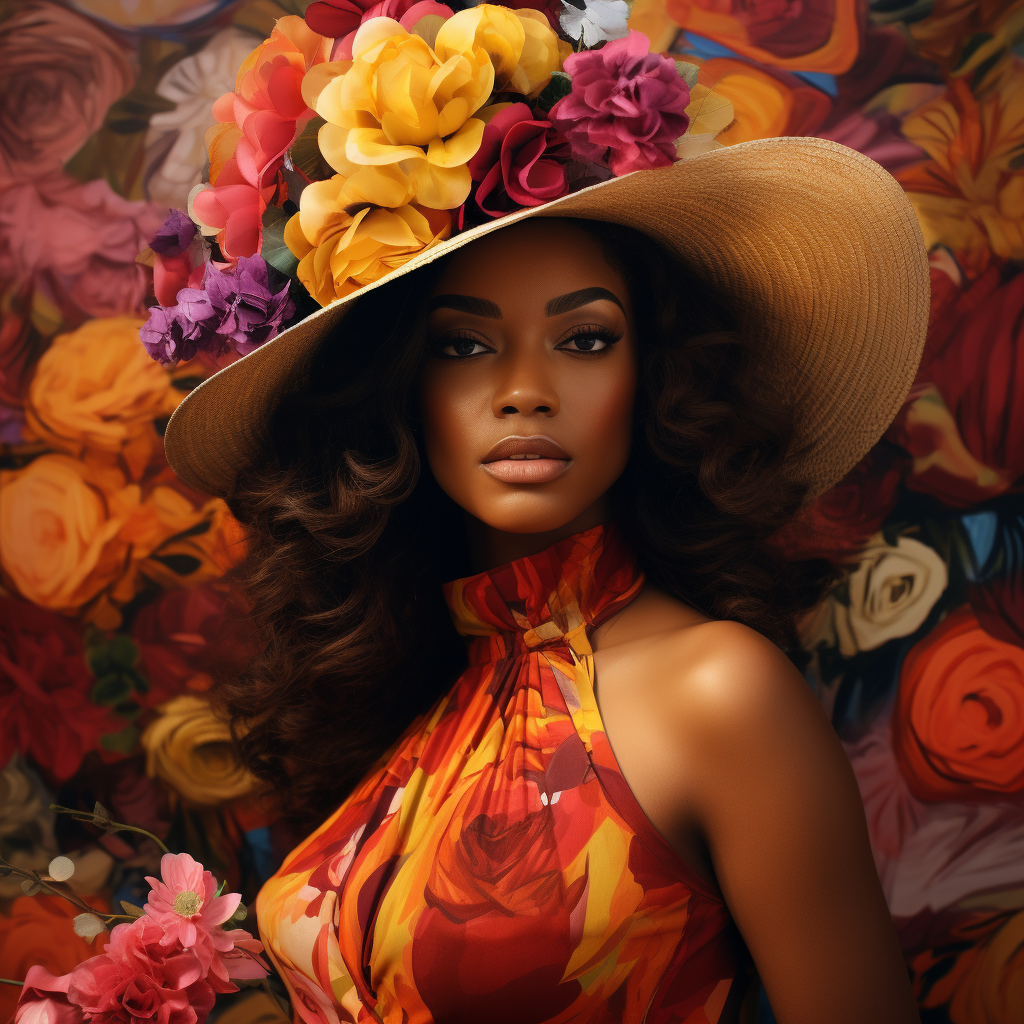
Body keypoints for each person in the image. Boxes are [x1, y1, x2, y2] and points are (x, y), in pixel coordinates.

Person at [164, 139, 929, 1023]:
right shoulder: (415, 700)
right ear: (400, 391)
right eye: (463, 345)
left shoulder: (720, 692)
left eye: (585, 339)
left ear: (651, 378)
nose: (525, 390)